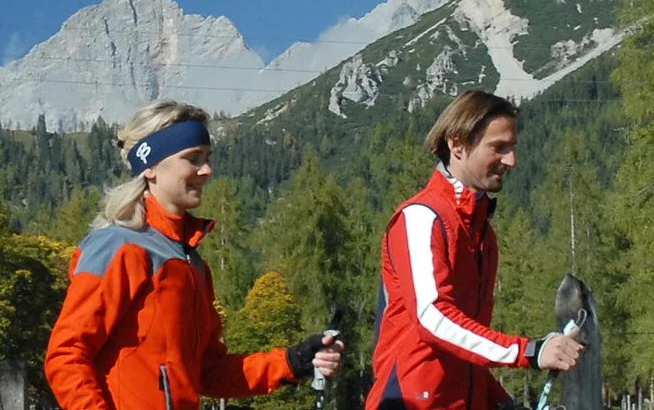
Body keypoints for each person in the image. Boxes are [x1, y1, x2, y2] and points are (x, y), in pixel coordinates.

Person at [45, 100, 344, 410]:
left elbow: (208, 372)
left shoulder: (192, 262)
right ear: (150, 167)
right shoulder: (118, 248)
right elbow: (66, 355)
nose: (207, 170)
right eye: (192, 158)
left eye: (207, 157)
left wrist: (292, 362)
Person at [368, 90, 583, 410]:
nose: (512, 161)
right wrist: (529, 351)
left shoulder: (483, 235)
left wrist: (500, 402)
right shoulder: (421, 218)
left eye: (512, 148)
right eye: (498, 148)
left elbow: (464, 351)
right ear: (457, 145)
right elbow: (433, 319)